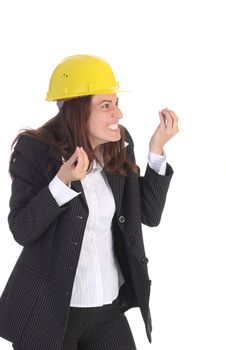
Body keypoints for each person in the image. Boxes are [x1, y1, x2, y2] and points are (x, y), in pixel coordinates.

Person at [0, 54, 178, 350]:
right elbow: (22, 230)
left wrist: (156, 149)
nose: (117, 115)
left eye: (116, 104)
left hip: (107, 308)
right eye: (106, 106)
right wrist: (61, 182)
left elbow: (148, 213)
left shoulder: (119, 143)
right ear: (77, 111)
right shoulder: (34, 149)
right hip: (51, 311)